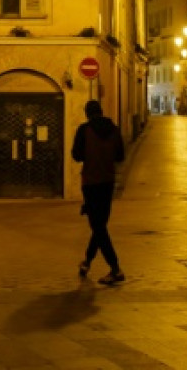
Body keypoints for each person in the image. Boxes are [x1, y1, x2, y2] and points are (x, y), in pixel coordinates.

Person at [71, 98, 125, 285]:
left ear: (87, 113)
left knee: (98, 227)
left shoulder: (84, 130)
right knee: (100, 225)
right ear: (101, 111)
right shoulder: (115, 130)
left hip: (90, 183)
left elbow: (76, 155)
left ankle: (116, 269)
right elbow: (121, 156)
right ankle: (86, 262)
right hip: (108, 182)